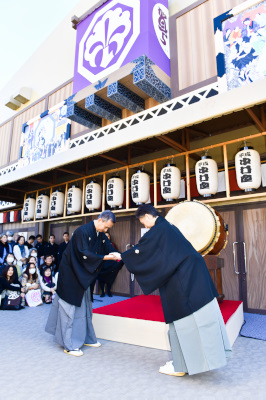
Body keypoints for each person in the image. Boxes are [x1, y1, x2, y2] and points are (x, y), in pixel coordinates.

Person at [121, 205, 232, 377]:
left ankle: (182, 365)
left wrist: (123, 256)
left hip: (184, 281)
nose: (143, 224)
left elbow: (144, 250)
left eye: (142, 220)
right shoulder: (166, 227)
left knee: (185, 322)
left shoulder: (160, 230)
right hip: (190, 276)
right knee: (189, 322)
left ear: (147, 216)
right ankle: (182, 361)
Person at [45, 211, 118, 357]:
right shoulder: (82, 232)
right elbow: (84, 253)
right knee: (69, 310)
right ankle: (69, 344)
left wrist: (118, 255)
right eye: (106, 227)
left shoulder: (100, 234)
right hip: (71, 275)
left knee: (85, 308)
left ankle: (86, 338)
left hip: (84, 275)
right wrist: (105, 257)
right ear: (100, 220)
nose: (106, 231)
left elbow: (109, 249)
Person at [97, 232, 124, 298]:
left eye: (108, 236)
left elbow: (116, 253)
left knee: (110, 278)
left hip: (110, 264)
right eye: (106, 236)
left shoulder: (112, 244)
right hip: (102, 263)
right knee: (101, 278)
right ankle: (103, 292)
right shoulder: (100, 244)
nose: (107, 237)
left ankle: (108, 291)